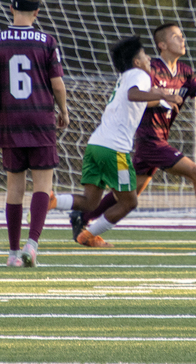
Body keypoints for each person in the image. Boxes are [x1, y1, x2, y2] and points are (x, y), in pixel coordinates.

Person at [71, 23, 196, 240]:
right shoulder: (149, 69)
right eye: (176, 36)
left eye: (182, 36)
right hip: (149, 139)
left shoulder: (185, 72)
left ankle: (83, 216)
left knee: (130, 193)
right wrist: (162, 98)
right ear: (162, 45)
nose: (182, 40)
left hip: (159, 138)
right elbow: (135, 98)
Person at [0, 0, 68, 268]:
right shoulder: (47, 41)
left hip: (10, 121)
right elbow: (57, 84)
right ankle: (32, 246)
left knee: (14, 188)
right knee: (42, 186)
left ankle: (13, 253)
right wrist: (64, 109)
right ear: (37, 11)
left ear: (11, 8)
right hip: (40, 120)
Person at [53, 35, 182, 248]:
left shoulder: (126, 76)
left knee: (90, 202)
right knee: (129, 202)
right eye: (145, 55)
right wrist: (162, 94)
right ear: (137, 62)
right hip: (114, 150)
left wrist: (161, 99)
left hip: (96, 145)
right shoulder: (140, 76)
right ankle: (87, 236)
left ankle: (54, 201)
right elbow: (134, 95)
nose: (150, 58)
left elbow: (135, 100)